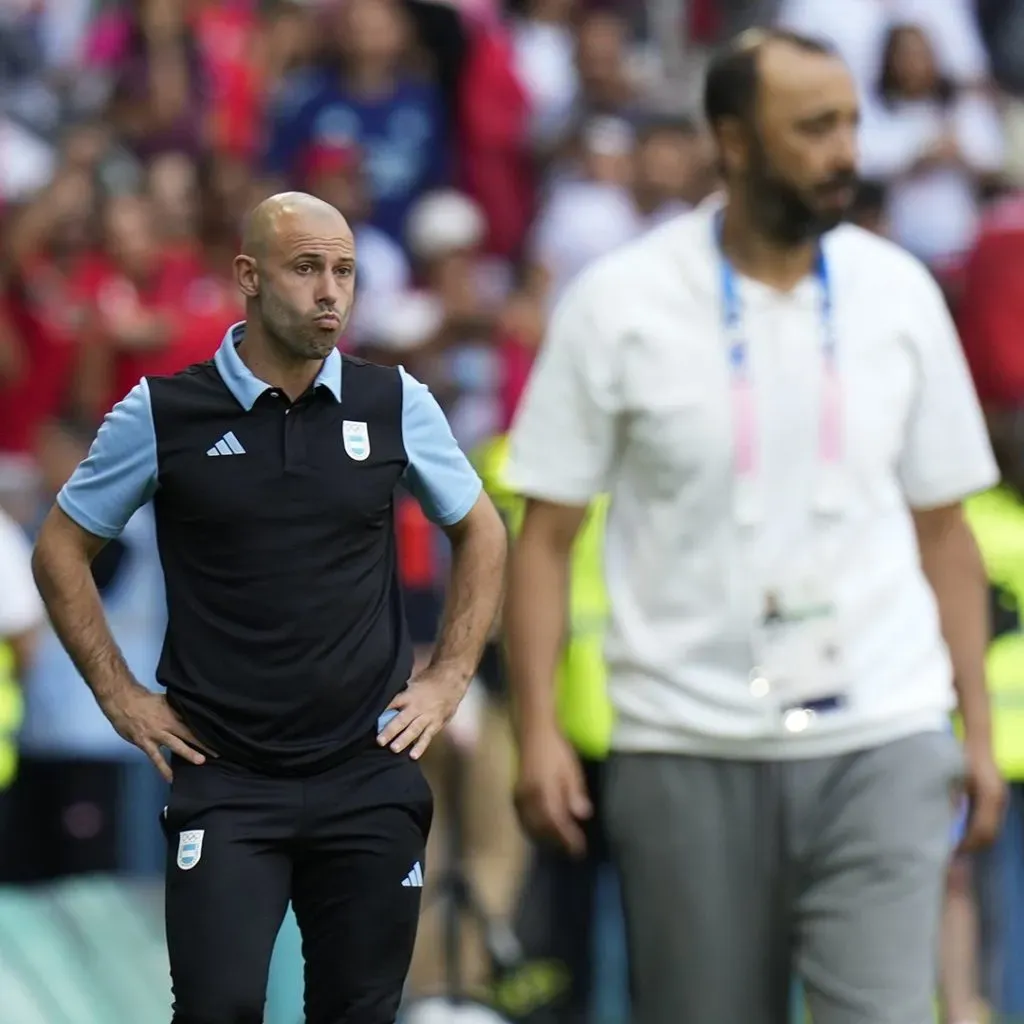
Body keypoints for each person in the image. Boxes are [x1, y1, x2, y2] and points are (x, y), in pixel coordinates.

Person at [503, 28, 1005, 1024]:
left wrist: (974, 733)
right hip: (685, 739)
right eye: (814, 127)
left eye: (852, 123)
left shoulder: (899, 292)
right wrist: (538, 732)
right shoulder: (619, 301)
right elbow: (545, 536)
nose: (845, 152)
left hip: (882, 731)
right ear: (732, 140)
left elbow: (944, 534)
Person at [30, 191, 507, 1024]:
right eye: (307, 268)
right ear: (249, 277)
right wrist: (121, 696)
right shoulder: (163, 412)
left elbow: (484, 533)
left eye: (345, 271)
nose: (331, 291)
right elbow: (60, 549)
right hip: (227, 781)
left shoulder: (393, 402)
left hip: (368, 773)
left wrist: (449, 678)